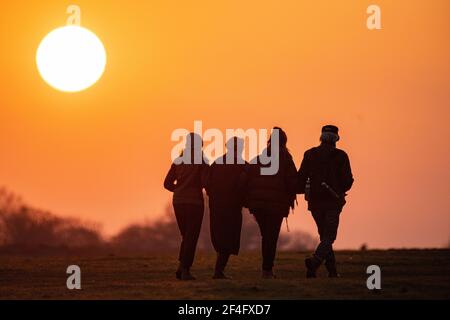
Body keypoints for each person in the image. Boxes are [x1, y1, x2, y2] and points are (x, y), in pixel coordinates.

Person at [297, 125, 354, 278]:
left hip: (315, 203)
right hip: (333, 202)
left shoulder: (309, 154)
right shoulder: (341, 156)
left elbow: (301, 177)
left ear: (321, 137)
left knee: (325, 236)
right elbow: (347, 181)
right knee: (329, 236)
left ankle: (330, 272)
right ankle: (315, 261)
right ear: (336, 139)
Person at [245, 127, 297, 279]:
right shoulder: (286, 158)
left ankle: (266, 269)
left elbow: (246, 179)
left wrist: (249, 201)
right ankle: (267, 270)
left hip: (259, 206)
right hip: (276, 205)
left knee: (266, 236)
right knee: (271, 237)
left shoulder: (259, 158)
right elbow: (293, 182)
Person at [164, 132, 209, 280]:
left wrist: (179, 189)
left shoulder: (178, 160)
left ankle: (180, 267)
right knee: (191, 237)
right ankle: (185, 270)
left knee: (186, 236)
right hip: (194, 203)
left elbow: (167, 183)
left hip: (178, 202)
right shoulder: (201, 161)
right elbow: (204, 182)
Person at [205, 137, 248, 279]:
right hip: (232, 208)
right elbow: (246, 187)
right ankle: (218, 271)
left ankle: (219, 270)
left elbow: (207, 184)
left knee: (220, 239)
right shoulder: (244, 166)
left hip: (217, 207)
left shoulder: (216, 163)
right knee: (228, 240)